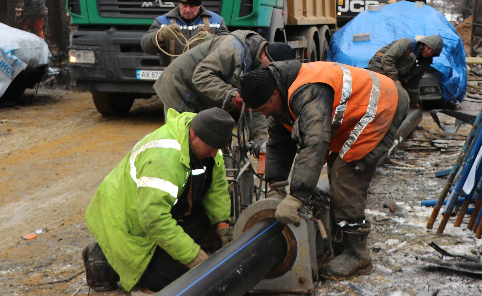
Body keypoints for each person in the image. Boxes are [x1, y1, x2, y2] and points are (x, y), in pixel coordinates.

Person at [239, 61, 409, 279]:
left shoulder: (307, 91)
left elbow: (315, 142)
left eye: (264, 108)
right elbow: (280, 144)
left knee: (345, 171)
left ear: (274, 93)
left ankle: (358, 256)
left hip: (383, 105)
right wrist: (276, 185)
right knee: (336, 168)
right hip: (363, 110)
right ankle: (341, 246)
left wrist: (297, 196)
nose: (264, 114)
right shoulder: (280, 91)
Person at [82, 108, 235, 293]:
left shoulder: (209, 142)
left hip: (164, 211)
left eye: (217, 149)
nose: (213, 154)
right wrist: (194, 257)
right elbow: (154, 220)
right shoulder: (164, 158)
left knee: (210, 240)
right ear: (194, 134)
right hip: (129, 223)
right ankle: (103, 260)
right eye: (211, 148)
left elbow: (216, 186)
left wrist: (222, 226)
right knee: (176, 278)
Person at [154, 29, 293, 143]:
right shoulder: (232, 50)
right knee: (184, 141)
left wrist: (260, 138)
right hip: (179, 84)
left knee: (211, 140)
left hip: (199, 90)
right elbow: (201, 75)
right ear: (263, 54)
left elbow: (256, 102)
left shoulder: (259, 63)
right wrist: (233, 95)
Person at [141, 0, 229, 66]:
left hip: (203, 78)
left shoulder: (216, 21)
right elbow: (146, 47)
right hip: (173, 78)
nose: (187, 10)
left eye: (192, 6)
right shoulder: (163, 21)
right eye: (184, 5)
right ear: (179, 4)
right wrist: (159, 37)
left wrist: (212, 42)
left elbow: (229, 50)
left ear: (199, 5)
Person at [367, 35, 444, 108]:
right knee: (386, 94)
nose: (428, 52)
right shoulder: (407, 43)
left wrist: (414, 101)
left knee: (401, 95)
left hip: (396, 73)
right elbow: (387, 59)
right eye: (428, 48)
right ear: (424, 44)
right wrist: (394, 78)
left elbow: (415, 82)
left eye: (432, 52)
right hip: (381, 66)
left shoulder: (424, 62)